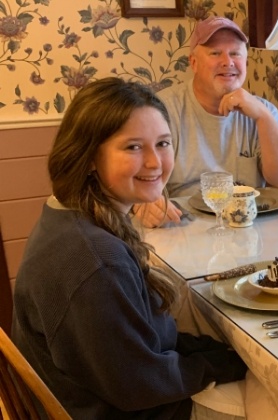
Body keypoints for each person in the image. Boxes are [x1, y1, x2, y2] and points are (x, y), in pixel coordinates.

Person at [11, 77, 248, 419]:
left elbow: (136, 346)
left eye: (163, 143)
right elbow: (139, 385)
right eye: (133, 147)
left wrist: (208, 355)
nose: (155, 162)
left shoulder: (68, 213)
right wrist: (217, 366)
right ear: (89, 156)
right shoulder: (96, 261)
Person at [134, 16, 278, 227]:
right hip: (181, 225)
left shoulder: (263, 110)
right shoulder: (162, 110)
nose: (227, 62)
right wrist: (146, 200)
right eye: (215, 53)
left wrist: (264, 118)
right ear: (193, 63)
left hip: (246, 229)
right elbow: (138, 176)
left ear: (245, 63)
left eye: (235, 54)